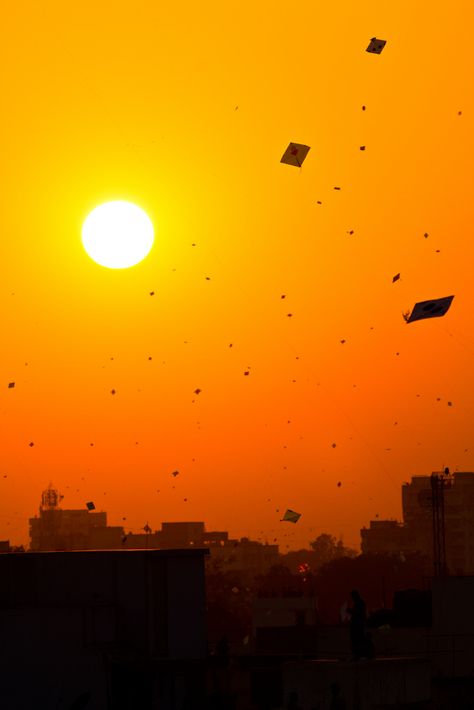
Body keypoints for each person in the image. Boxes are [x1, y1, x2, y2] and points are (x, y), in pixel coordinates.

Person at [347, 589, 366, 659]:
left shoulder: (359, 603)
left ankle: (358, 654)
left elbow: (358, 613)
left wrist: (351, 611)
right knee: (357, 639)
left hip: (357, 626)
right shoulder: (360, 603)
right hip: (358, 625)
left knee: (356, 639)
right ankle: (358, 653)